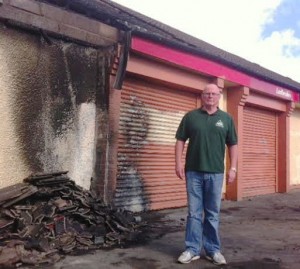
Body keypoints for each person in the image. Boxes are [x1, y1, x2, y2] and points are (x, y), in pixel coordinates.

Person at [175, 83, 238, 265]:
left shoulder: (226, 119)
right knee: (194, 213)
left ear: (219, 97)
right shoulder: (191, 117)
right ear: (202, 96)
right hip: (193, 172)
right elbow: (180, 140)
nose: (210, 96)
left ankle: (212, 250)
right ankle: (192, 249)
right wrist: (178, 162)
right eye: (207, 93)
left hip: (216, 174)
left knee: (212, 213)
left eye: (214, 94)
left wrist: (233, 168)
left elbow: (233, 144)